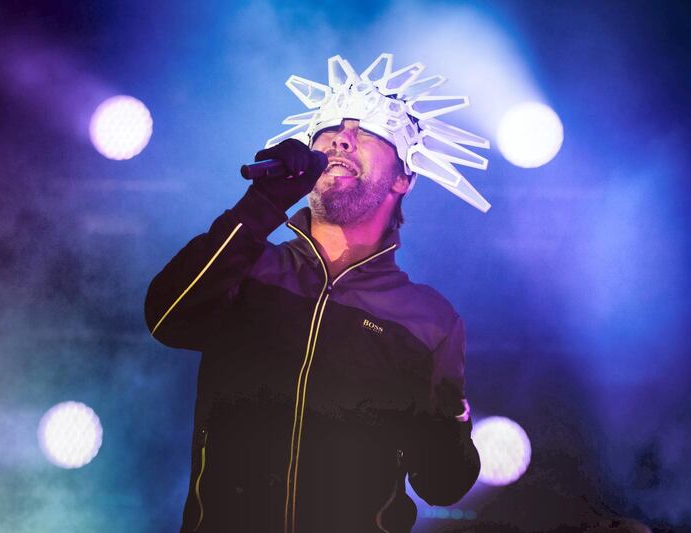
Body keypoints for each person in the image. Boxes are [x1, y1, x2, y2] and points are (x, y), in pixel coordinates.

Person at [145, 53, 492, 533]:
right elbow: (167, 319)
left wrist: (448, 418)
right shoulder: (249, 265)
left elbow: (443, 484)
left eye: (368, 132)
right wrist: (263, 203)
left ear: (404, 177)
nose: (342, 139)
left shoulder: (429, 320)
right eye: (328, 131)